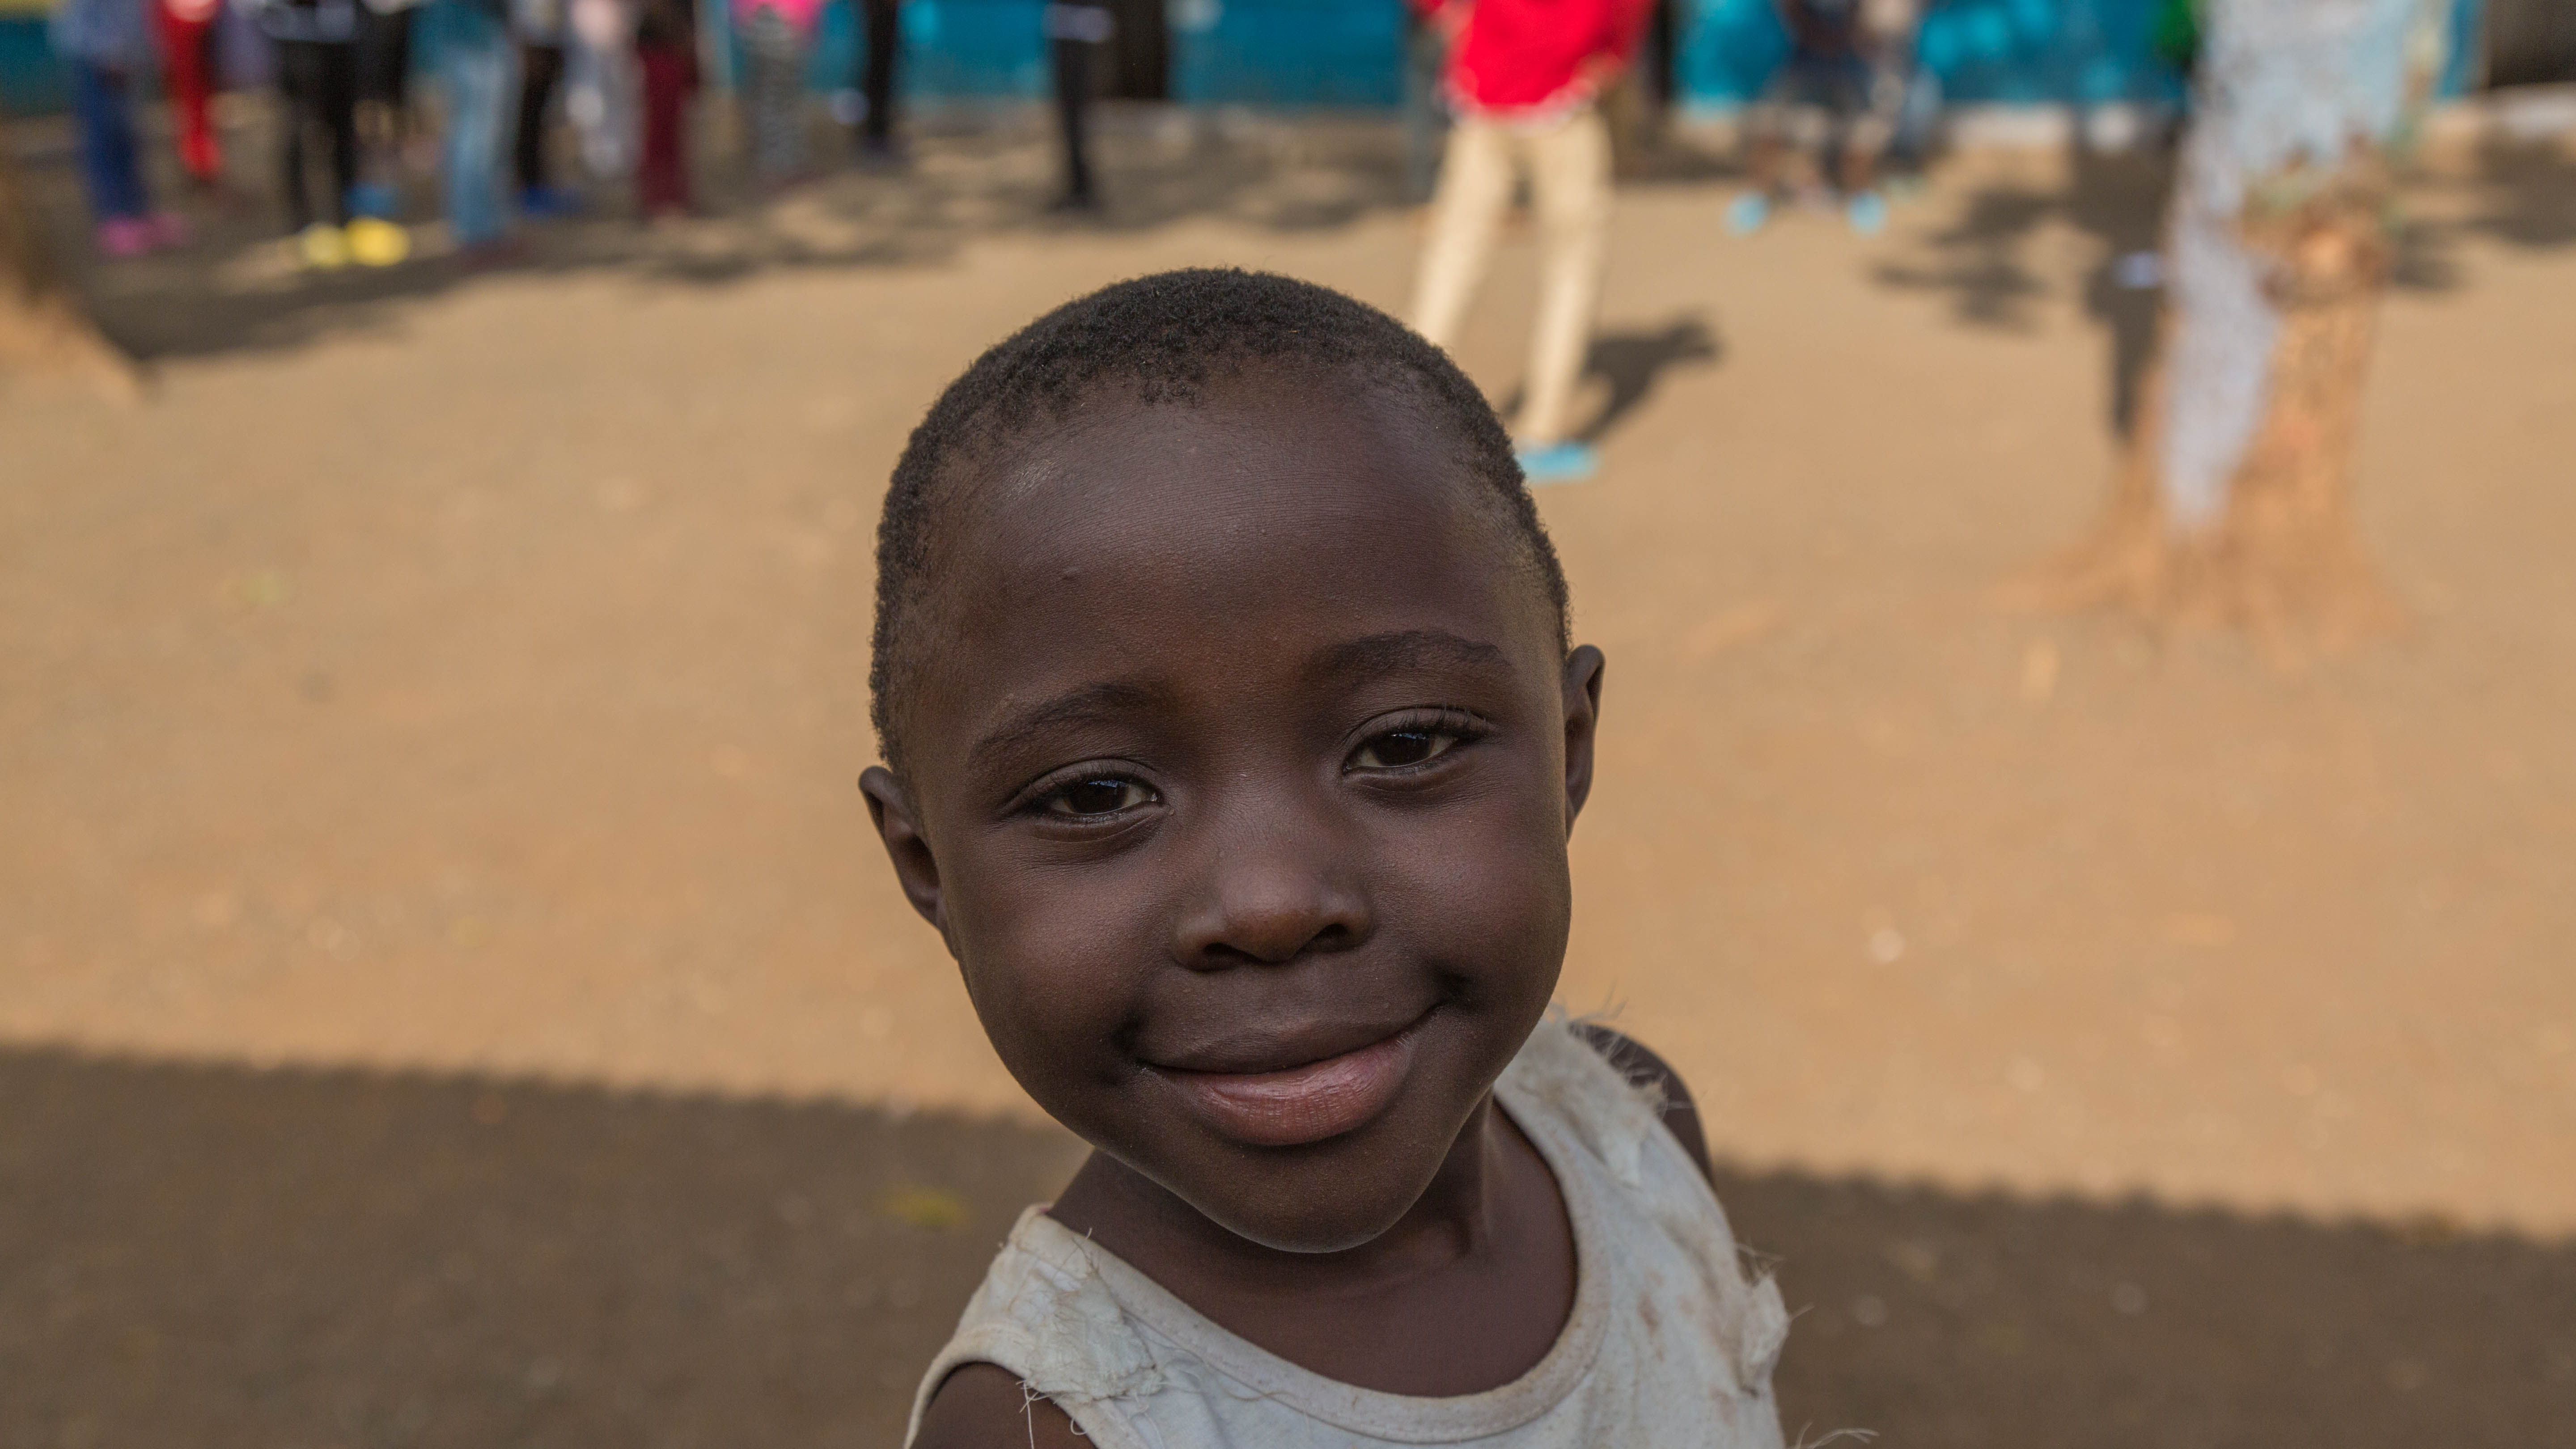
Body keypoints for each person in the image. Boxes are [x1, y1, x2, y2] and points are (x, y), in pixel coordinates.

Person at [865, 269, 1789, 1449]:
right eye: (1098, 795)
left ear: (1568, 748)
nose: (1271, 905)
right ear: (925, 864)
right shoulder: (1062, 1426)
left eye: (1403, 744)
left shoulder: (1633, 1134)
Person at [1407, 0, 1648, 486]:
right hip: (1564, 99)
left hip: (1484, 87)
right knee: (1572, 270)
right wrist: (1614, 57)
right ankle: (1542, 434)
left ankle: (1401, 411)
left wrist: (1450, 17)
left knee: (1453, 257)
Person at [1726, 0, 1917, 237]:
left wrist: (1845, 38)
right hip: (1801, 60)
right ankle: (1757, 197)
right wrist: (1820, 36)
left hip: (1849, 63)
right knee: (1769, 126)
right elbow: (1790, 10)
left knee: (1863, 133)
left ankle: (1861, 196)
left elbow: (1863, 18)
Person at [257, 0, 408, 266]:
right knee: (298, 127)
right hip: (294, 34)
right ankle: (301, 226)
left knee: (344, 127)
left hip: (343, 33)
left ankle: (349, 218)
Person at [51, 0, 187, 256]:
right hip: (98, 58)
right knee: (104, 139)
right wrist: (108, 51)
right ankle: (115, 219)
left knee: (129, 138)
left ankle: (140, 212)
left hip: (126, 56)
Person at [428, 0, 521, 260]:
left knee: (493, 138)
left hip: (489, 30)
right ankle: (475, 232)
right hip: (469, 34)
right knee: (475, 138)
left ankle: (492, 229)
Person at [733, 0, 823, 188]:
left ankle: (783, 165)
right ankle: (777, 168)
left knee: (775, 99)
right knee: (777, 101)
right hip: (783, 21)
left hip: (766, 21)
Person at [511, 0, 582, 214]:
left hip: (549, 40)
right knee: (528, 120)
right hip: (534, 42)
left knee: (541, 120)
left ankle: (538, 184)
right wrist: (527, 43)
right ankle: (528, 187)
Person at [1041, 0, 1109, 211]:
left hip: (1079, 31)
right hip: (1071, 28)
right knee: (1072, 120)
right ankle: (1078, 186)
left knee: (1077, 118)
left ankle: (1082, 189)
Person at [631, 0, 696, 217]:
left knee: (673, 128)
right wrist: (681, 38)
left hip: (670, 48)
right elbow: (658, 8)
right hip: (661, 48)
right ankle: (659, 199)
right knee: (660, 129)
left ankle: (672, 195)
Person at [155, 0, 225, 189]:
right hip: (184, 23)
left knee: (203, 100)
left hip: (200, 22)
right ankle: (198, 164)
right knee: (190, 99)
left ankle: (204, 163)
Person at [852, 0, 902, 165]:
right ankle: (875, 134)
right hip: (879, 10)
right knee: (879, 67)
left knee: (881, 65)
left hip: (881, 11)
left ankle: (876, 133)